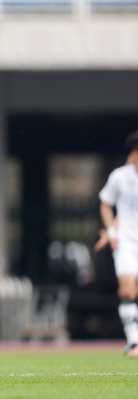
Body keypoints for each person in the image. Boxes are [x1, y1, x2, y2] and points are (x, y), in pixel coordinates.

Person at [98, 131, 138, 357]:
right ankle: (133, 342)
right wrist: (111, 232)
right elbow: (106, 203)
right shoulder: (120, 177)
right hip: (127, 243)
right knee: (126, 289)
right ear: (134, 154)